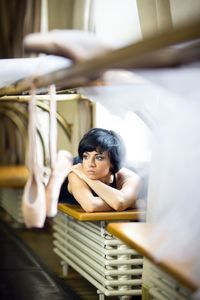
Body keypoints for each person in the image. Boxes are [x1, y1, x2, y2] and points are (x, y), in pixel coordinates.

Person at [58, 128, 141, 212]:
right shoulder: (75, 171)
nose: (90, 164)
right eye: (86, 156)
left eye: (99, 157)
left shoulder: (129, 177)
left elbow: (120, 203)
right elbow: (91, 206)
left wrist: (85, 177)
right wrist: (129, 203)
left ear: (113, 162)